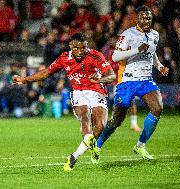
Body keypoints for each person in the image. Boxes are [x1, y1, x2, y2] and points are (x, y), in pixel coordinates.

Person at [13, 33, 116, 171]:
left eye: (83, 48)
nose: (80, 51)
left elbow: (112, 75)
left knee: (100, 125)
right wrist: (24, 79)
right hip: (79, 92)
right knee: (84, 118)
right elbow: (46, 73)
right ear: (70, 46)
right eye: (76, 48)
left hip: (97, 90)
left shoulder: (95, 55)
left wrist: (100, 79)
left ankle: (74, 155)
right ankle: (87, 141)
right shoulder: (64, 58)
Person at [96, 6, 169, 161]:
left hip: (146, 80)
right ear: (137, 19)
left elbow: (152, 53)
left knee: (157, 108)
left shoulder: (155, 34)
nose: (146, 21)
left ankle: (140, 145)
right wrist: (136, 49)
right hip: (127, 80)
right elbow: (115, 56)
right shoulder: (128, 34)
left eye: (149, 18)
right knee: (117, 120)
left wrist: (160, 66)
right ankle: (98, 145)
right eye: (143, 17)